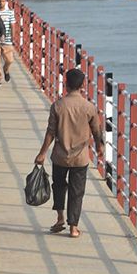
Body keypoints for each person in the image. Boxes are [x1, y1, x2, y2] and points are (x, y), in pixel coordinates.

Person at [34, 69, 104, 238]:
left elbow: (50, 132)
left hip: (60, 156)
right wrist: (100, 147)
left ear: (66, 85)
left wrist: (42, 153)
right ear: (82, 86)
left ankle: (60, 218)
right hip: (80, 157)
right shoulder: (89, 107)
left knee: (58, 186)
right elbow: (97, 130)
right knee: (76, 191)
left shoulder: (57, 105)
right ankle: (73, 227)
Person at [0, 0, 16, 85]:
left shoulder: (10, 12)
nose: (1, 3)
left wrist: (13, 37)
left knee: (10, 60)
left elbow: (13, 25)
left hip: (7, 41)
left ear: (6, 2)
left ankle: (6, 70)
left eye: (3, 1)